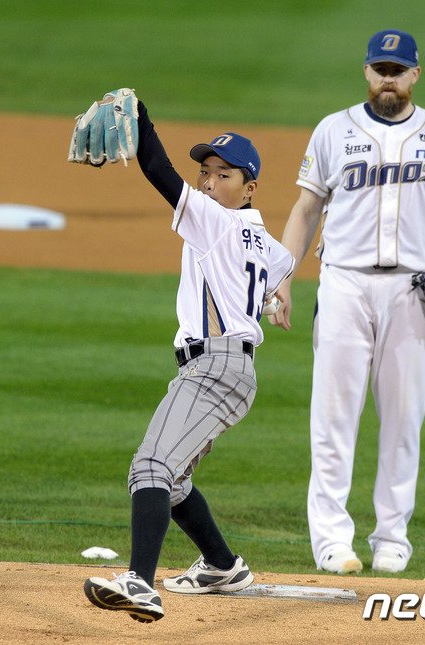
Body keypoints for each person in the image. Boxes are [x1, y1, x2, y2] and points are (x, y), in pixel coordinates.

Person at [271, 29, 425, 575]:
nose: (388, 79)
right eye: (380, 69)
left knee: (404, 418)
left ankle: (392, 537)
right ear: (367, 72)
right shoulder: (333, 130)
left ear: (416, 74)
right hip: (344, 284)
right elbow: (306, 210)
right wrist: (283, 278)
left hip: (413, 291)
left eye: (398, 70)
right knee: (333, 418)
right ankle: (332, 540)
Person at [82, 95, 295, 622]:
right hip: (235, 369)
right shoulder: (262, 238)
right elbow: (281, 264)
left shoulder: (213, 221)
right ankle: (222, 565)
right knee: (172, 479)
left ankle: (140, 583)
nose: (207, 182)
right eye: (205, 173)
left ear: (249, 188)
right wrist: (277, 293)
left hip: (213, 367)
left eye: (224, 175)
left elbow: (157, 169)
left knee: (150, 467)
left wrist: (141, 114)